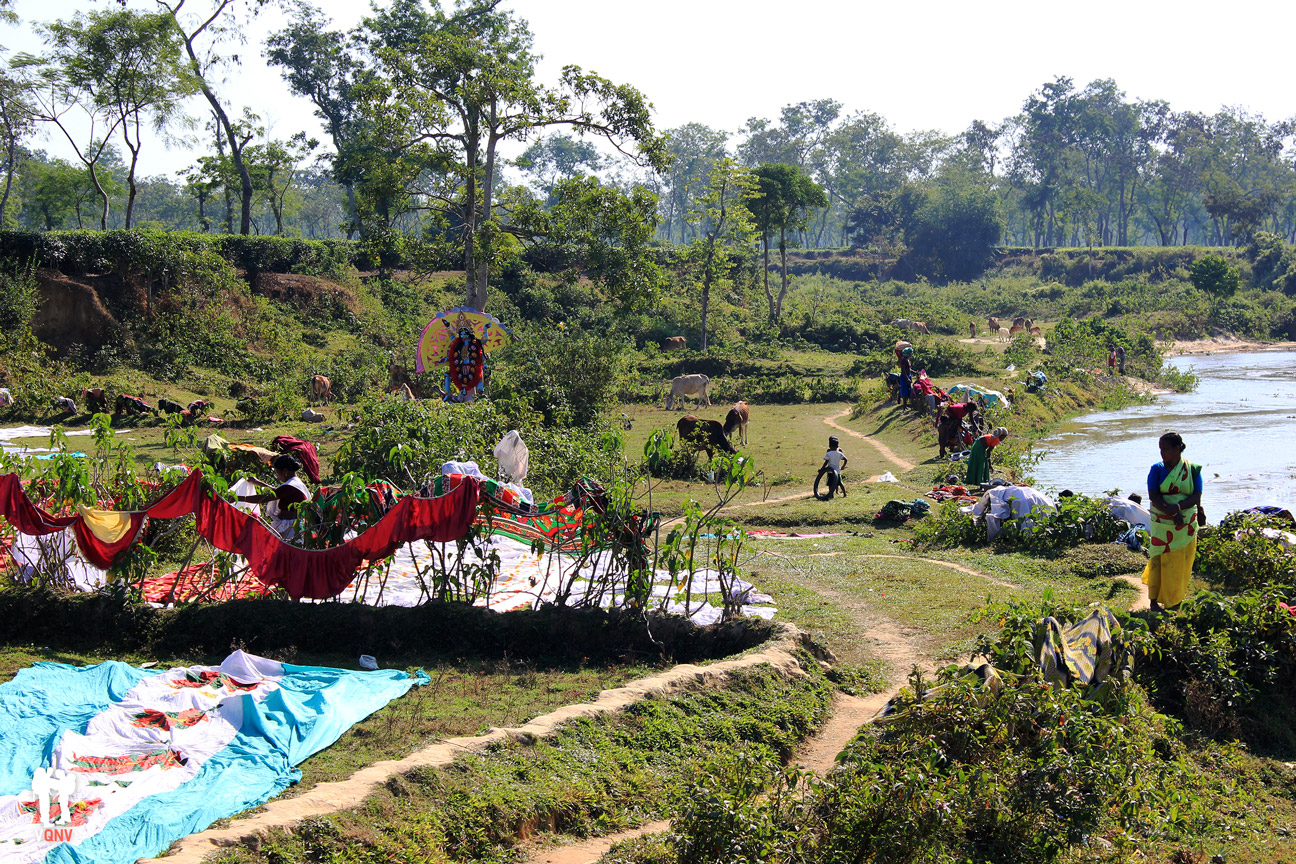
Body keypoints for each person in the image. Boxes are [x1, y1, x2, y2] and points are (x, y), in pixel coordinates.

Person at [1143, 431, 1203, 612]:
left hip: (1185, 522)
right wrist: (1169, 511)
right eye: (1160, 449)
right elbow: (1153, 495)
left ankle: (1174, 601)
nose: (1162, 453)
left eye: (1166, 449)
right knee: (1158, 558)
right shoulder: (1156, 469)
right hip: (1162, 522)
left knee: (1180, 562)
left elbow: (1196, 495)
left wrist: (1177, 508)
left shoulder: (1191, 469)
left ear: (1178, 449)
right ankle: (1153, 602)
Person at [238, 454, 311, 538]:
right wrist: (258, 482)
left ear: (285, 471)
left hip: (291, 527)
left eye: (277, 473)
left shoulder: (290, 486)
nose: (278, 476)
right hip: (292, 524)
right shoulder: (296, 483)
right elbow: (278, 491)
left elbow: (266, 497)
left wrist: (240, 498)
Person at [895, 341, 914, 408]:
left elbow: (908, 369)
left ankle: (906, 405)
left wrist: (914, 372)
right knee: (905, 391)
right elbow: (903, 370)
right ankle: (904, 407)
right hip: (904, 377)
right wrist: (907, 378)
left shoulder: (907, 360)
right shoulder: (904, 360)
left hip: (907, 376)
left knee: (908, 390)